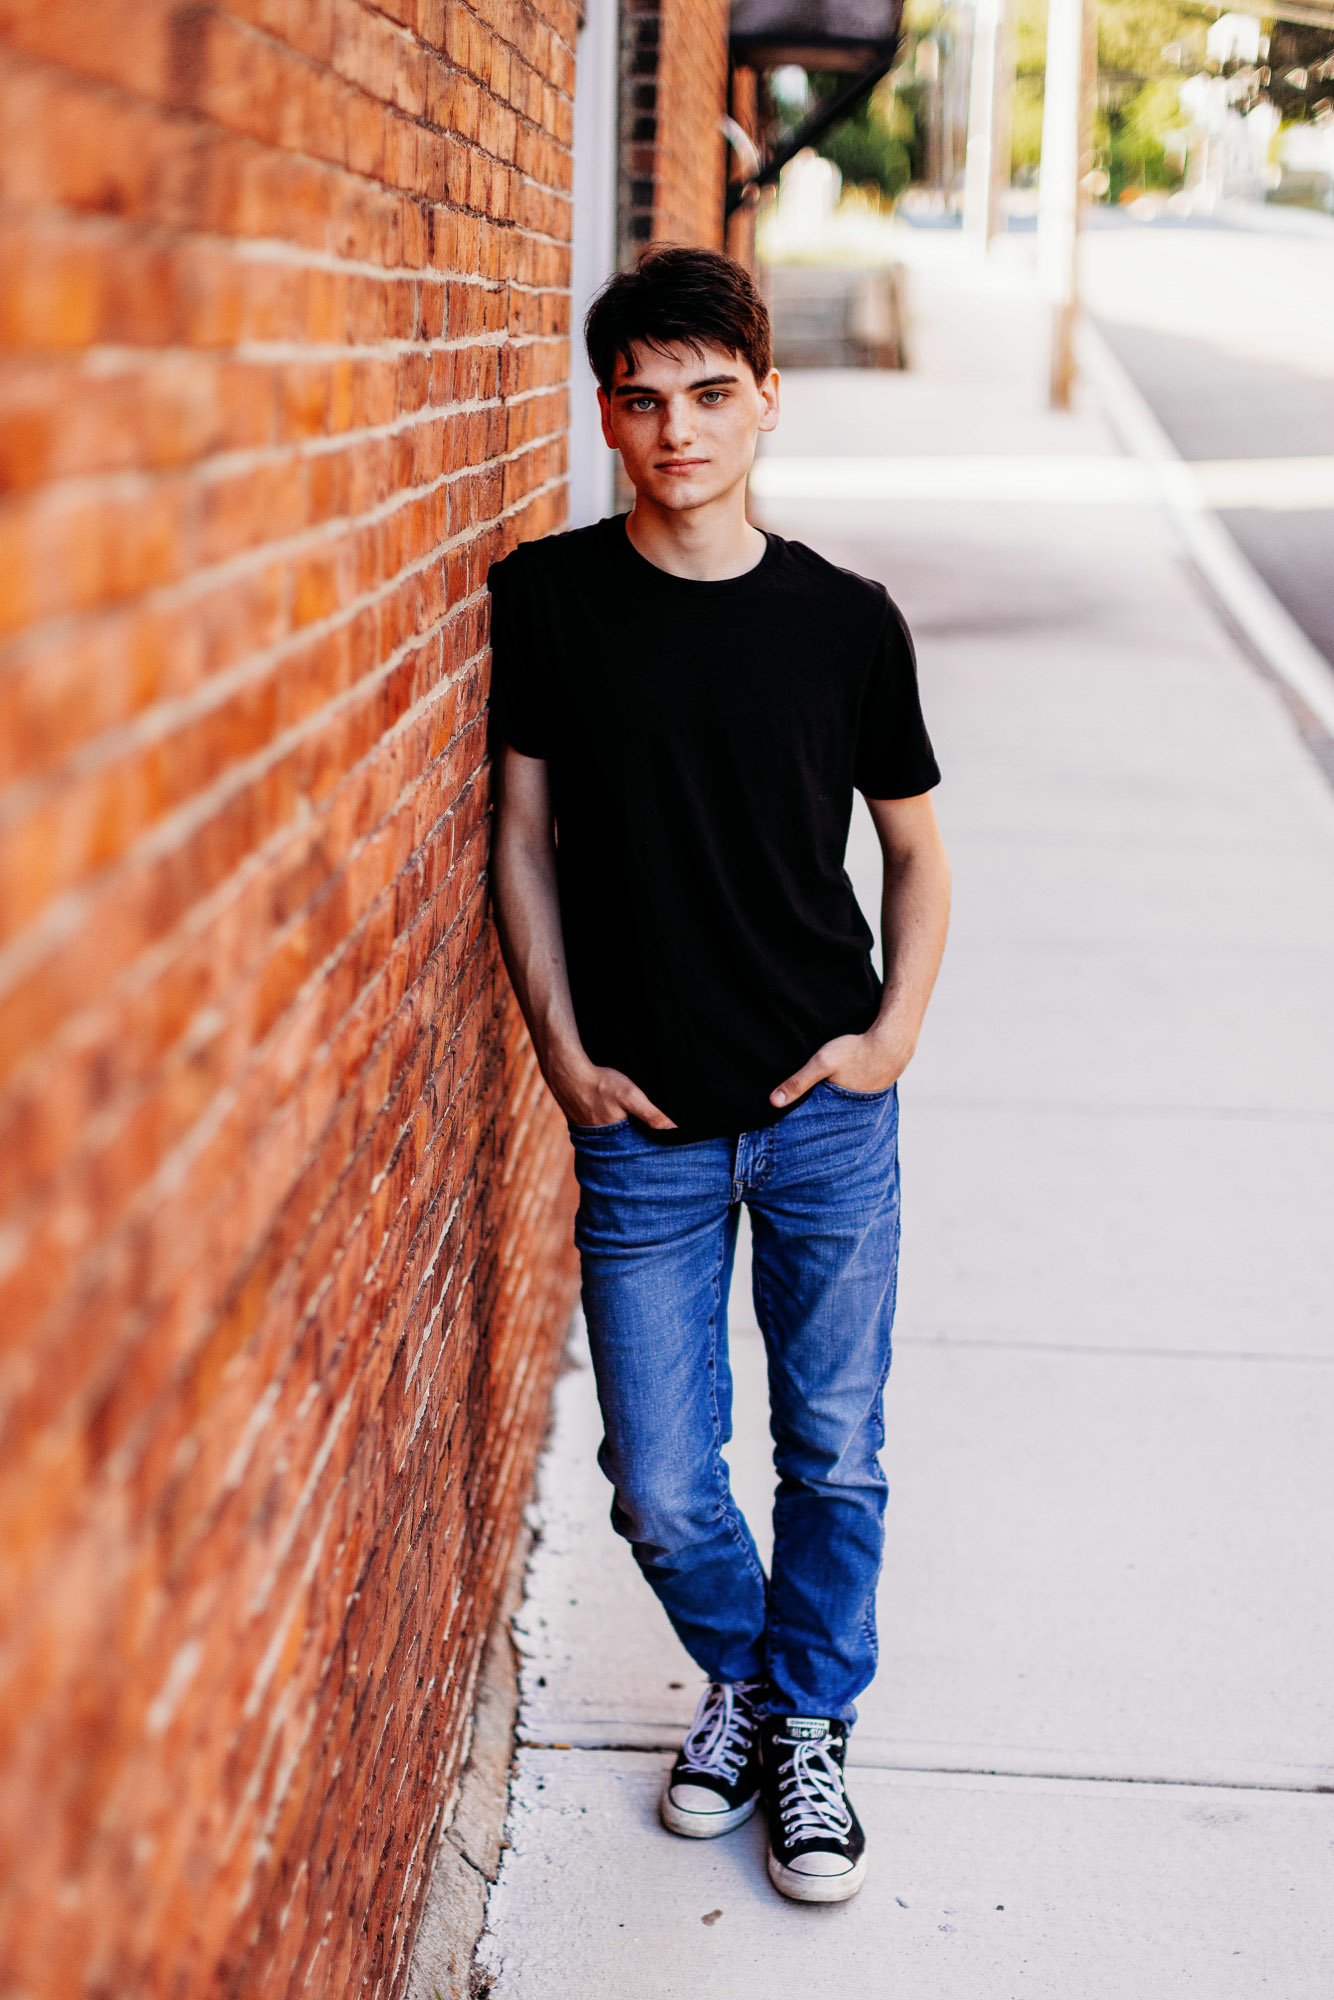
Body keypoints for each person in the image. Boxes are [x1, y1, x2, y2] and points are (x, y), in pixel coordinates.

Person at [485, 243, 951, 1904]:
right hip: (647, 1129)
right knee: (663, 1483)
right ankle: (753, 1676)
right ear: (605, 412)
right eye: (639, 398)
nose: (673, 429)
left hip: (825, 1115)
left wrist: (888, 1037)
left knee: (831, 1446)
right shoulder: (546, 599)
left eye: (707, 394)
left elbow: (912, 852)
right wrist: (559, 1049)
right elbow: (522, 843)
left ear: (763, 400)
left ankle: (803, 1719)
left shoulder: (843, 624)